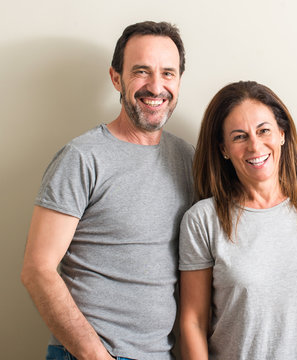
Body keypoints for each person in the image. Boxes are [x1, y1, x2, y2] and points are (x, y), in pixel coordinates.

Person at [20, 21, 194, 360]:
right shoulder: (82, 158)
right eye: (141, 72)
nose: (156, 86)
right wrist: (96, 356)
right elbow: (37, 268)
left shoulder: (188, 158)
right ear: (116, 78)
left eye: (168, 73)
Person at [179, 81, 297, 359]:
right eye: (239, 136)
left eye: (264, 130)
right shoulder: (203, 220)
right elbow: (194, 321)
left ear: (282, 134)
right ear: (224, 149)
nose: (255, 145)